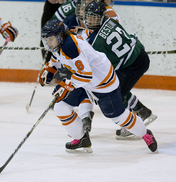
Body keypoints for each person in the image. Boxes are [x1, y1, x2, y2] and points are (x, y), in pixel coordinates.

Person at [41, 19, 157, 153]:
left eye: (51, 39)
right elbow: (57, 57)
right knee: (61, 107)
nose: (48, 43)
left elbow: (86, 75)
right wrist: (50, 68)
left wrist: (67, 85)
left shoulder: (70, 47)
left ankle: (145, 133)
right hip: (84, 81)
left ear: (60, 36)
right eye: (46, 39)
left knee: (118, 117)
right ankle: (81, 139)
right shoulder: (60, 44)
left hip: (103, 83)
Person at [83, 1, 157, 139]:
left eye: (94, 17)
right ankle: (142, 111)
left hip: (133, 65)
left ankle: (131, 126)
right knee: (118, 86)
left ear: (100, 17)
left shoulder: (96, 42)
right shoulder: (110, 20)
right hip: (138, 54)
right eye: (88, 17)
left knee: (116, 93)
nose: (90, 21)